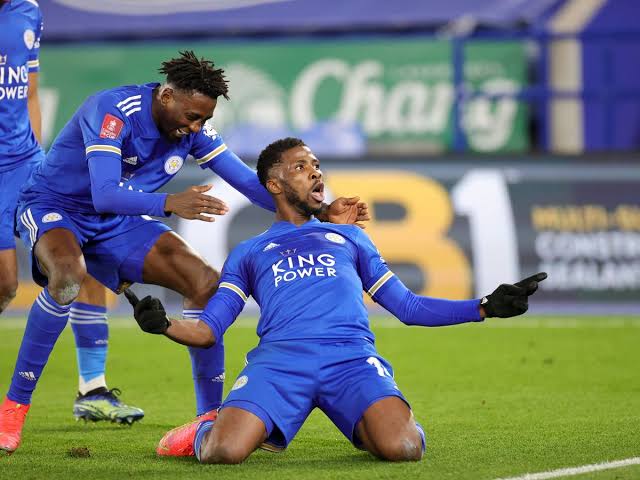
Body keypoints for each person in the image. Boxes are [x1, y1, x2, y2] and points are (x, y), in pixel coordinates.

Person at [0, 53, 368, 455]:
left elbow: (251, 183)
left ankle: (208, 421)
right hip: (58, 207)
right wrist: (169, 203)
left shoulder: (193, 130)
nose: (195, 127)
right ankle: (13, 408)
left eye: (203, 120)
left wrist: (318, 209)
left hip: (117, 222)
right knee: (69, 277)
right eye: (192, 116)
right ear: (167, 95)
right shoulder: (112, 111)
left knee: (207, 284)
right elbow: (104, 192)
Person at [124, 137, 547, 464]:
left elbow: (409, 308)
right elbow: (208, 330)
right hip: (279, 363)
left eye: (317, 166)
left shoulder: (349, 236)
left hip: (350, 359)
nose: (315, 172)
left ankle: (373, 420)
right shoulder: (250, 252)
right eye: (301, 167)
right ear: (274, 184)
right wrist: (164, 326)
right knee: (224, 453)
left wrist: (485, 307)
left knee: (402, 448)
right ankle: (202, 431)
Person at [0, 0, 144, 426]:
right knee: (5, 284)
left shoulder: (26, 11)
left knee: (81, 252)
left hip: (25, 162)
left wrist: (38, 158)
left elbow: (28, 90)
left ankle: (92, 390)